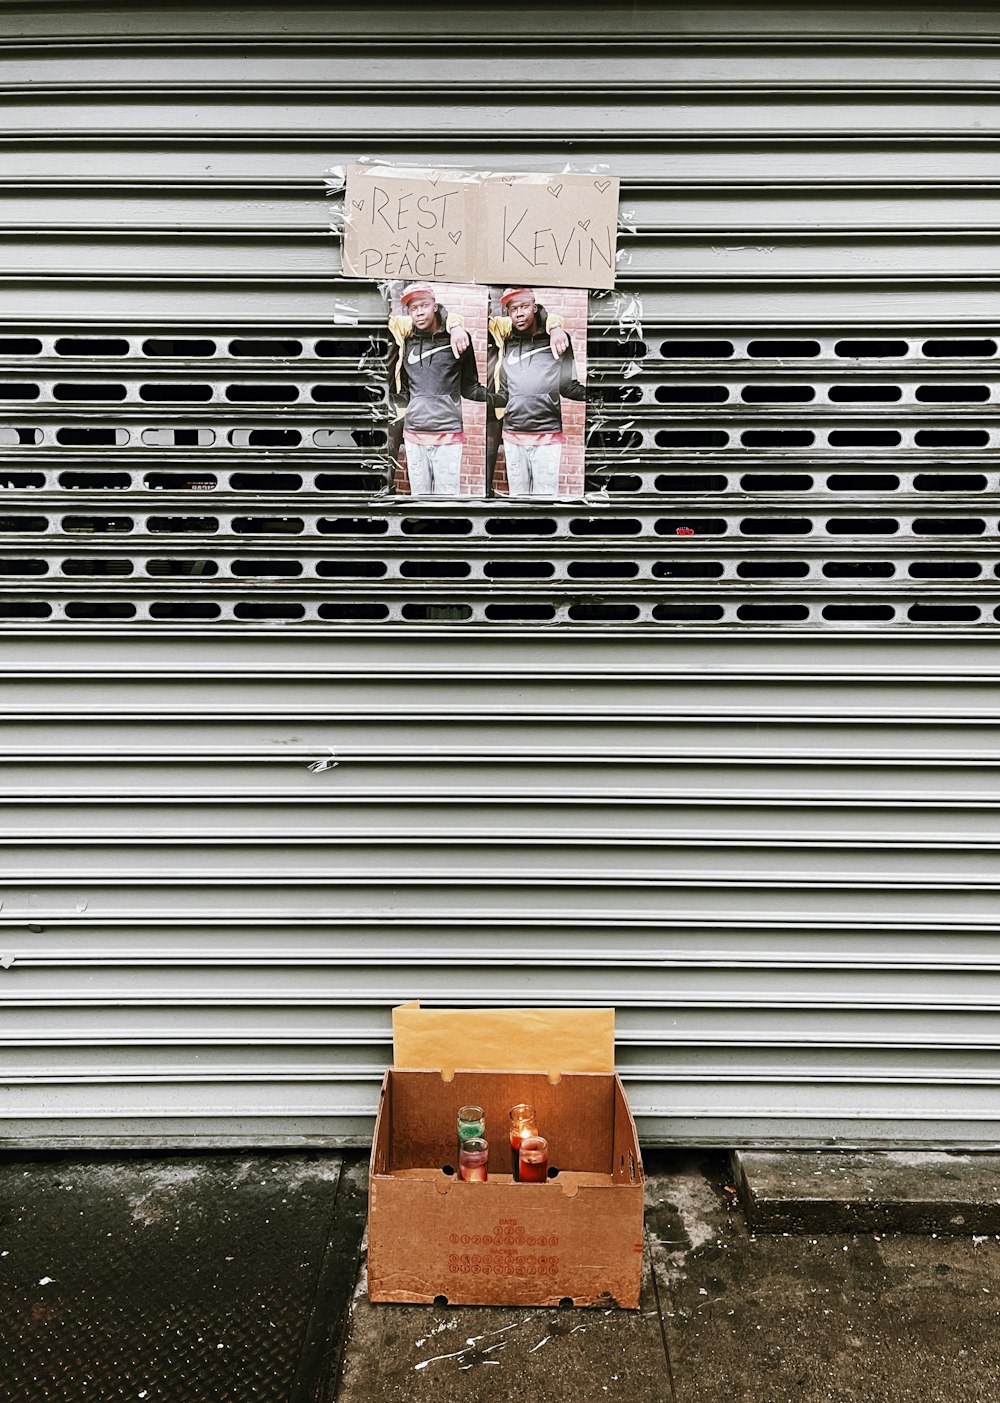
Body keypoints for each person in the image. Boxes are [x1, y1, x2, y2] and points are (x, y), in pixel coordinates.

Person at [385, 281, 485, 496]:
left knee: (446, 502)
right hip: (414, 435)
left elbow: (470, 386)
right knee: (419, 499)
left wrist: (500, 397)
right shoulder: (406, 342)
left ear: (435, 306)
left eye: (424, 306)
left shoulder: (458, 341)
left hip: (448, 436)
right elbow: (405, 390)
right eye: (413, 308)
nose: (419, 313)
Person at [487, 286, 586, 496]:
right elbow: (505, 392)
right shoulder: (506, 341)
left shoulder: (558, 339)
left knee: (546, 500)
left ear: (535, 307)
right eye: (513, 309)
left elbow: (567, 387)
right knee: (518, 500)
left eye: (524, 306)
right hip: (513, 434)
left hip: (547, 435)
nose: (519, 313)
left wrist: (598, 393)